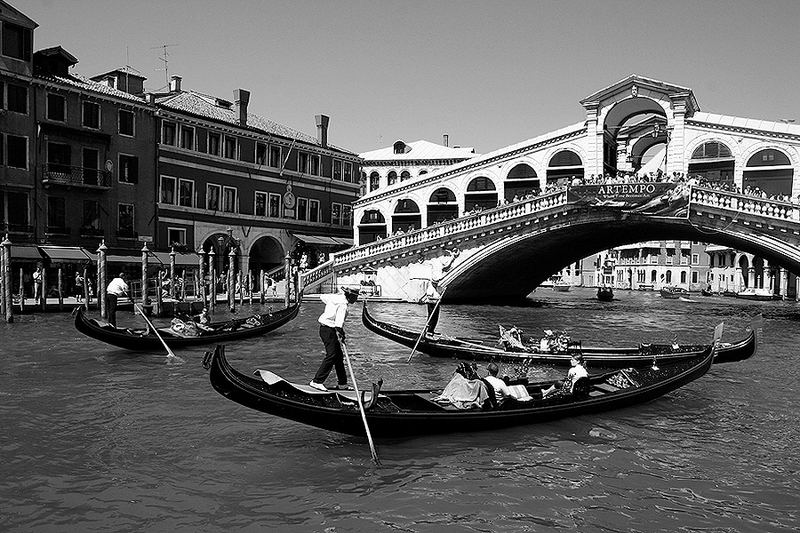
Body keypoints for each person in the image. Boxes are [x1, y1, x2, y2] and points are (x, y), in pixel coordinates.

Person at [310, 287, 360, 391]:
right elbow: (338, 325)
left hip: (324, 329)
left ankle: (342, 384)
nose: (356, 300)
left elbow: (322, 297)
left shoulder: (334, 297)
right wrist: (342, 335)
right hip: (328, 330)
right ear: (350, 297)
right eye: (355, 297)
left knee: (338, 357)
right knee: (332, 355)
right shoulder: (343, 305)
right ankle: (316, 381)